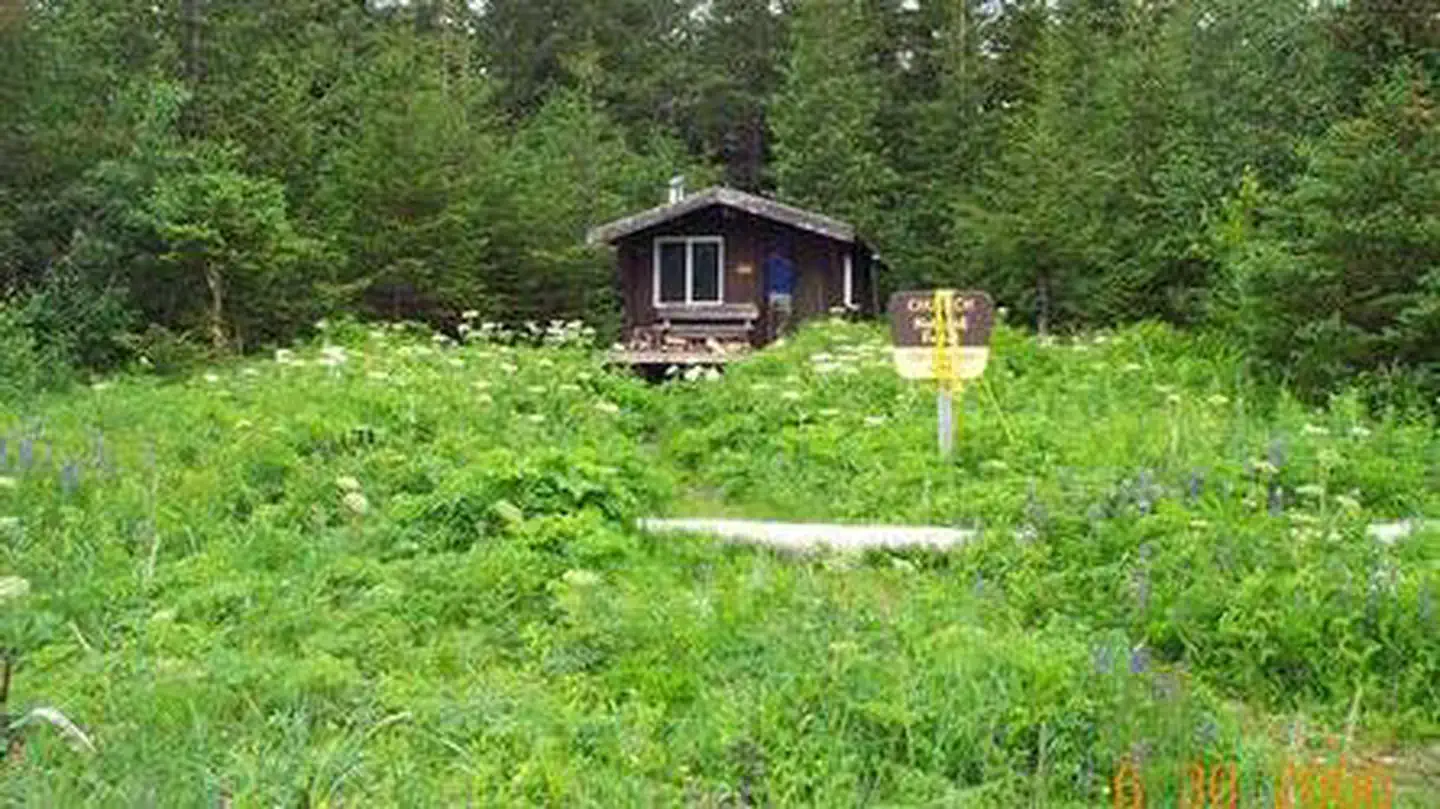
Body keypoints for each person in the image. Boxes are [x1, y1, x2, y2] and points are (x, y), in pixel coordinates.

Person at [763, 241, 796, 340]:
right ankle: (780, 334)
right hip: (785, 294)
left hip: (774, 293)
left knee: (771, 319)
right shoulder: (789, 264)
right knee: (785, 316)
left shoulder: (770, 262)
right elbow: (792, 279)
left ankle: (771, 336)